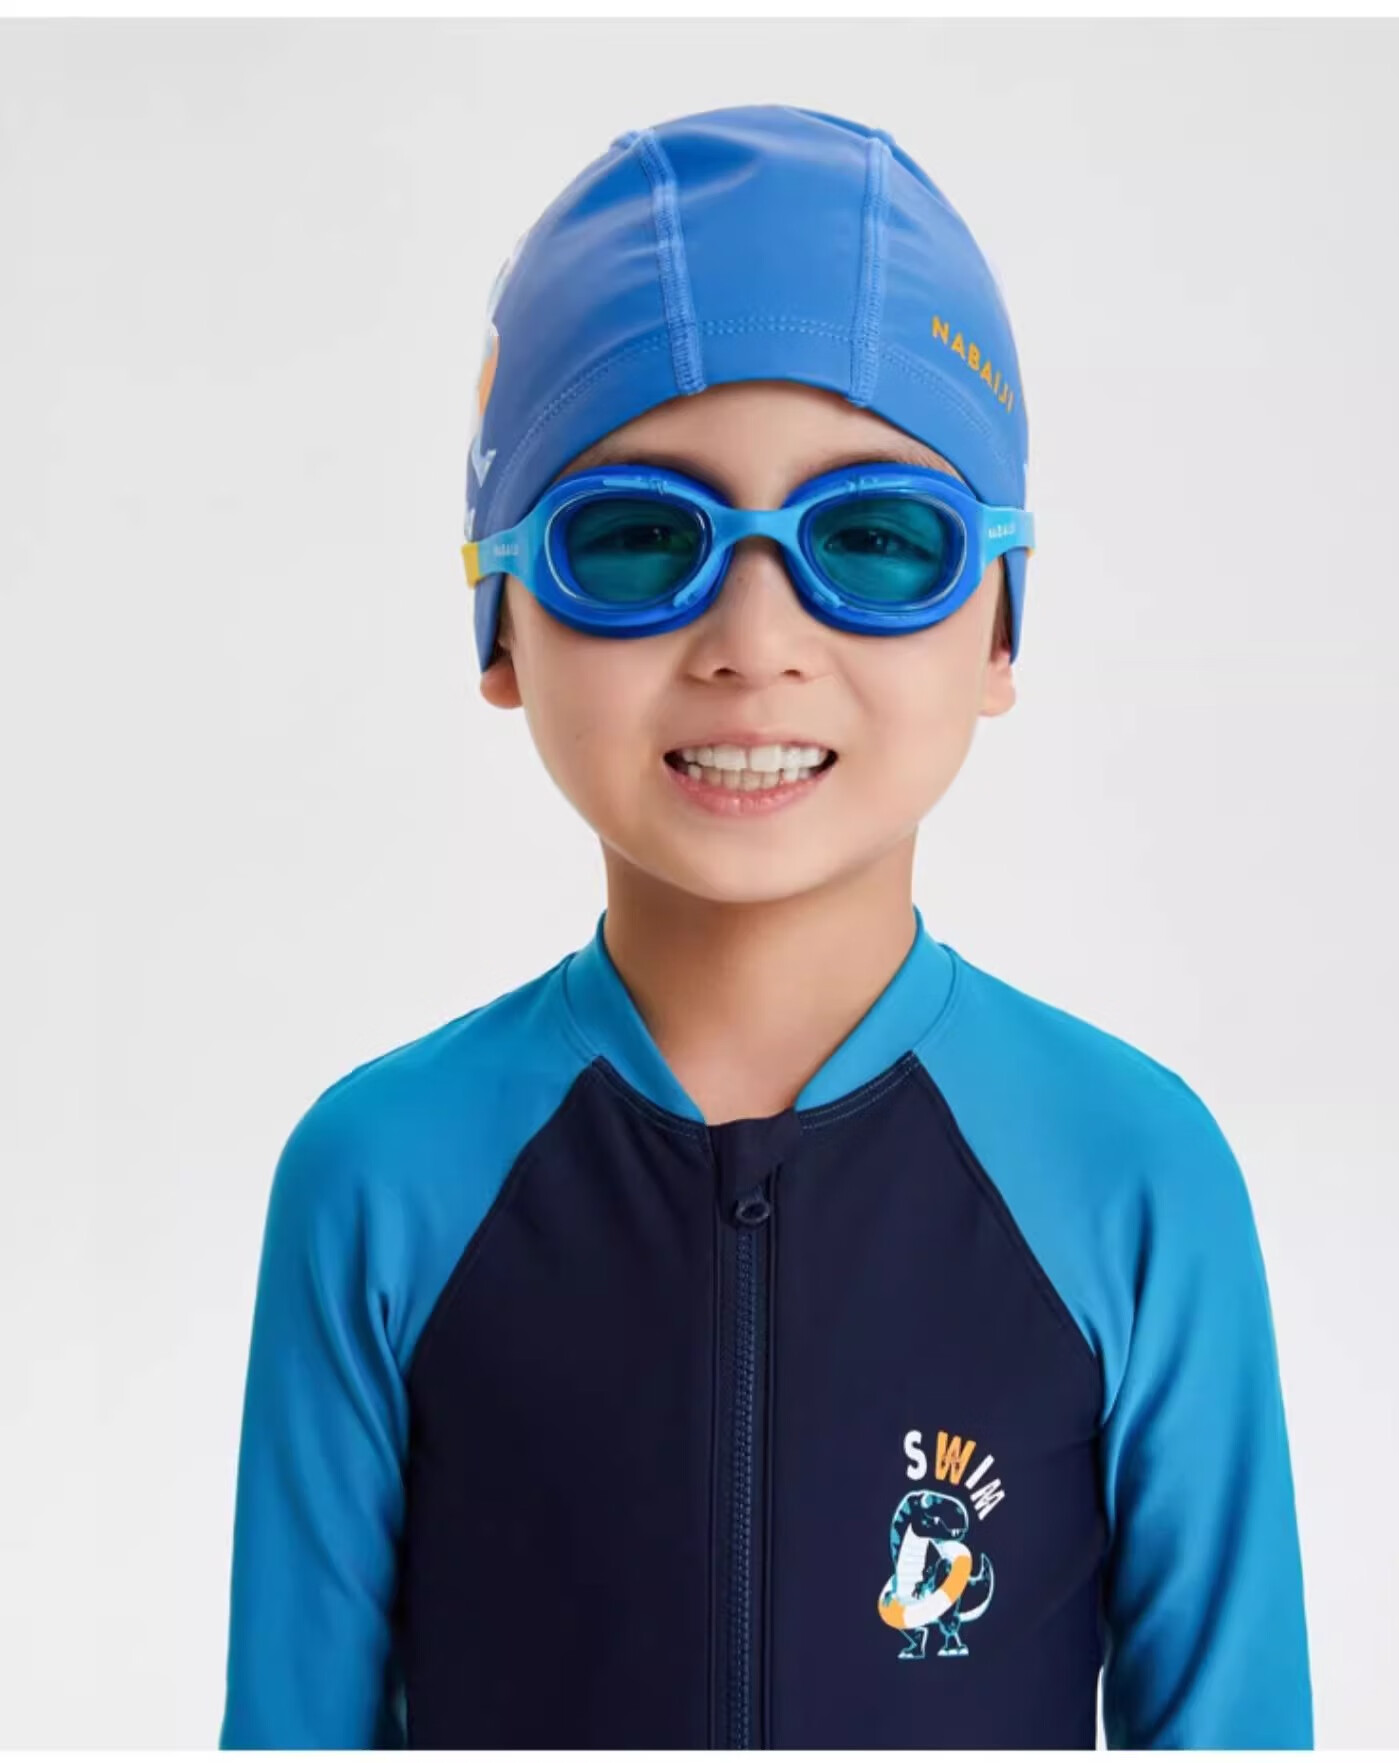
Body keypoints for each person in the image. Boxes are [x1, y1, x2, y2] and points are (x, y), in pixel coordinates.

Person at [218, 103, 1313, 1749]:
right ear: (500, 621)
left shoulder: (1132, 1175)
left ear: (1000, 629)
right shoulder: (381, 1182)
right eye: (634, 541)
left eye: (872, 541)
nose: (753, 637)